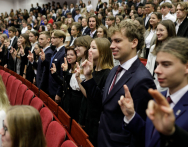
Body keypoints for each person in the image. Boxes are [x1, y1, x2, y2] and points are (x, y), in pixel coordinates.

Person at [81, 19, 156, 147]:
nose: (111, 46)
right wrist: (88, 76)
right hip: (103, 139)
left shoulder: (143, 79)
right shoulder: (115, 69)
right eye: (112, 41)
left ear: (134, 43)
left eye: (118, 41)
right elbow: (101, 103)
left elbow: (142, 130)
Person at [119, 37, 188, 147]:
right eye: (158, 64)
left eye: (166, 64)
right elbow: (150, 139)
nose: (157, 70)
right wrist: (131, 116)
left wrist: (172, 133)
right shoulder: (159, 98)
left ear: (186, 67)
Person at [77, 38, 113, 146]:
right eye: (90, 47)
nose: (89, 51)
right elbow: (89, 95)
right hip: (89, 118)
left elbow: (99, 100)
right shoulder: (93, 71)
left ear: (103, 51)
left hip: (98, 123)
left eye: (93, 48)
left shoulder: (108, 73)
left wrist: (88, 77)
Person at [146, 20, 176, 92]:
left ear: (169, 31)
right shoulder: (153, 48)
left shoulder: (175, 50)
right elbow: (148, 67)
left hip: (165, 87)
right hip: (150, 85)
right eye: (157, 30)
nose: (157, 33)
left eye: (161, 30)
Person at [48, 30, 66, 101]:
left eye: (54, 38)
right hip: (51, 86)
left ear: (61, 39)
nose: (51, 40)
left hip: (56, 89)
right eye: (51, 38)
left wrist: (59, 93)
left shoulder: (63, 52)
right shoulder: (55, 50)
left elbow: (62, 76)